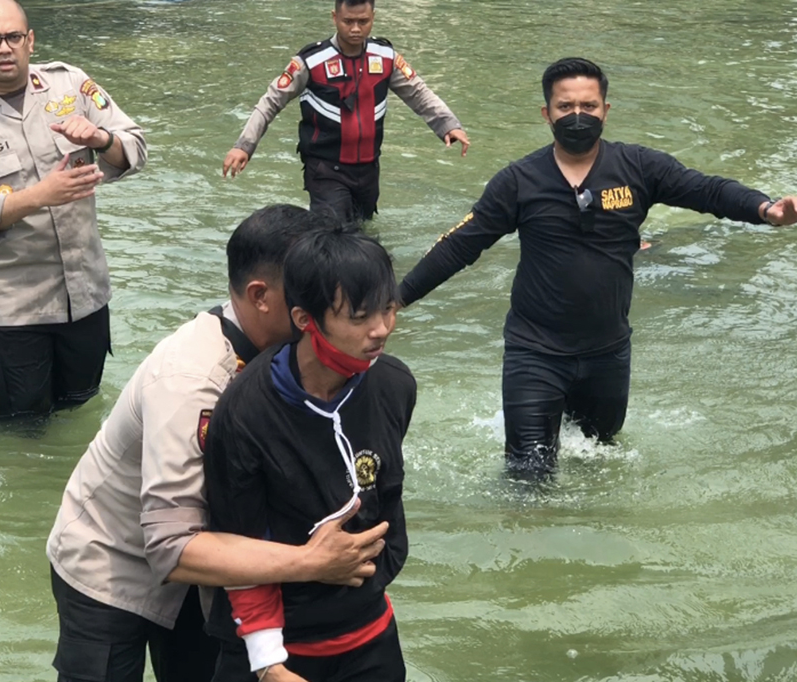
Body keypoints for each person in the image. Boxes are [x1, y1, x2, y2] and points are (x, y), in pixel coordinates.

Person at [399, 57, 797, 474]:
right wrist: (397, 299)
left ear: (606, 110)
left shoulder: (639, 168)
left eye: (588, 107)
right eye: (565, 107)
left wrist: (765, 209)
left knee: (599, 465)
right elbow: (461, 244)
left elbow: (708, 190)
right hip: (534, 353)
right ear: (546, 114)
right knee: (528, 477)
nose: (577, 116)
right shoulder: (519, 181)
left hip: (608, 354)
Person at [46, 206, 390, 682]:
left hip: (218, 568)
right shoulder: (193, 381)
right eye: (309, 291)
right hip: (114, 564)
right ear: (261, 296)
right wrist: (310, 563)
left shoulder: (289, 360)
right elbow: (170, 545)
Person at [204, 224, 416, 682]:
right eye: (359, 317)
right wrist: (268, 665)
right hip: (276, 650)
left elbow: (387, 501)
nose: (381, 330)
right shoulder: (244, 413)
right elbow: (238, 541)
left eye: (388, 308)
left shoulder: (394, 386)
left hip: (370, 637)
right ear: (305, 319)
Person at [0, 0, 147, 419]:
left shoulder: (72, 86)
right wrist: (37, 196)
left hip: (84, 298)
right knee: (20, 442)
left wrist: (101, 140)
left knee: (83, 416)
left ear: (30, 41)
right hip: (10, 312)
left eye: (12, 37)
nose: (3, 48)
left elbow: (135, 145)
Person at [222, 0, 469, 222]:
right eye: (348, 21)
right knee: (332, 237)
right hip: (325, 170)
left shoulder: (386, 58)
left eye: (363, 21)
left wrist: (448, 124)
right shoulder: (311, 61)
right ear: (334, 18)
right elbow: (270, 102)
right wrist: (244, 145)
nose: (355, 29)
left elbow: (418, 92)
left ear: (373, 17)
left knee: (363, 236)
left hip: (369, 170)